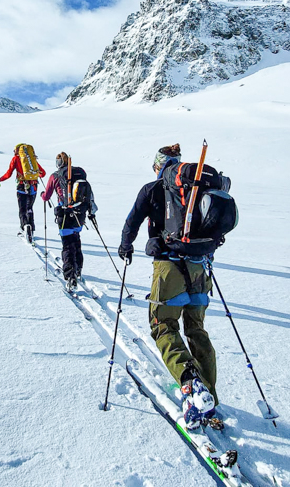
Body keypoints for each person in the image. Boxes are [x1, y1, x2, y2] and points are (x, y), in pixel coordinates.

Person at [117, 144, 218, 430]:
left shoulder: (152, 189)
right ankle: (209, 396)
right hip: (200, 267)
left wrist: (126, 247)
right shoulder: (197, 189)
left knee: (163, 327)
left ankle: (192, 386)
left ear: (159, 165)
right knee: (197, 330)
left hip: (168, 268)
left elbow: (132, 222)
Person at [41, 152, 97, 291]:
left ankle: (70, 274)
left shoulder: (55, 176)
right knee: (76, 240)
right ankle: (78, 269)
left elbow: (46, 196)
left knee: (67, 244)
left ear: (58, 163)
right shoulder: (81, 172)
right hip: (81, 213)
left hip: (64, 213)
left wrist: (42, 195)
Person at [0, 144, 46, 243]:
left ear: (18, 150)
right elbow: (43, 173)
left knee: (22, 209)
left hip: (22, 186)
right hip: (33, 186)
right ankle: (32, 229)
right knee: (30, 208)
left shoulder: (15, 159)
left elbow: (8, 173)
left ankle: (24, 227)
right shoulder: (32, 160)